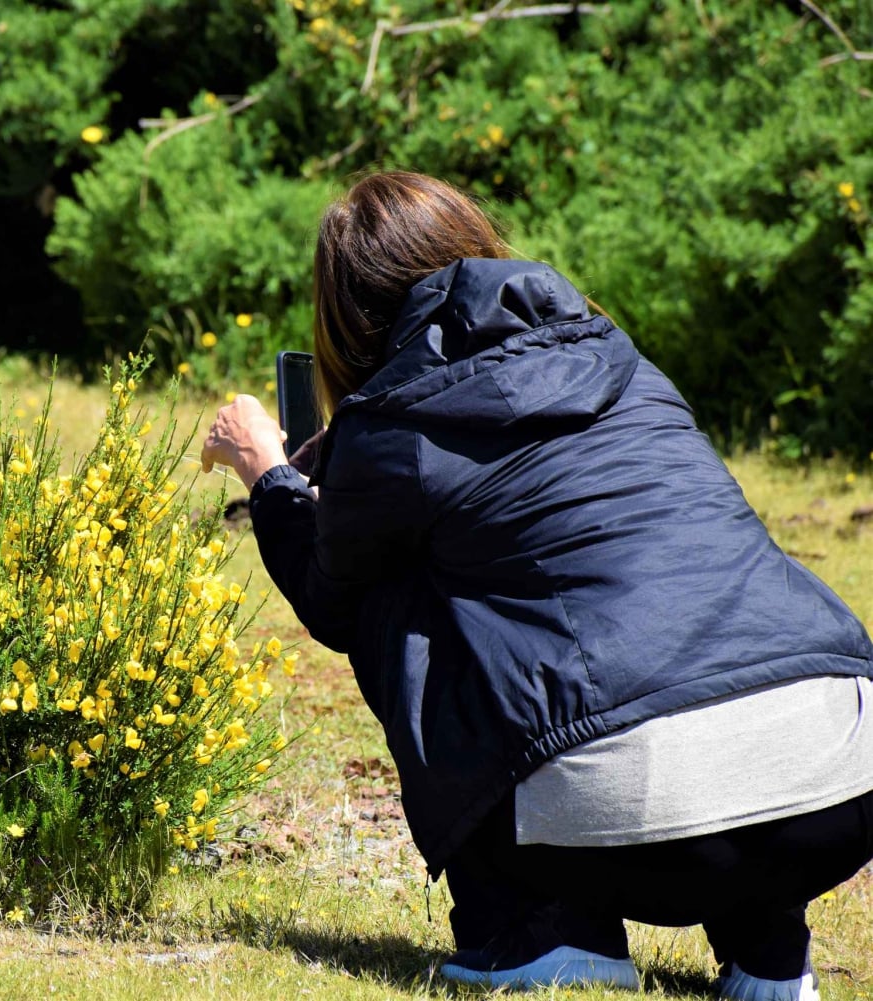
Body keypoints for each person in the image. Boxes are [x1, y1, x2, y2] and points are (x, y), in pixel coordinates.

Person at [200, 171, 873, 1000]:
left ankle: (539, 928)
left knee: (389, 604)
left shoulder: (391, 429)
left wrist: (266, 471)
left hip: (655, 818)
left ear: (353, 317)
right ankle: (769, 954)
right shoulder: (624, 360)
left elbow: (330, 598)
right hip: (840, 775)